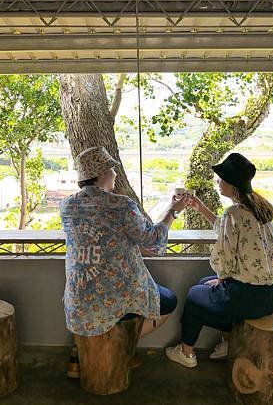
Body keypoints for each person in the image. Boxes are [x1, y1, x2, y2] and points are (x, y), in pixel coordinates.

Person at [60, 146, 187, 376]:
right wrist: (173, 210)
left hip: (78, 294)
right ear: (101, 175)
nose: (115, 174)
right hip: (116, 293)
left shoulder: (67, 205)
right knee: (167, 301)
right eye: (111, 169)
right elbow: (151, 239)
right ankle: (119, 346)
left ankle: (80, 350)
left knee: (96, 307)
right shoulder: (121, 205)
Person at [166, 152, 273, 368]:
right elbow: (225, 228)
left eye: (220, 178)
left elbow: (223, 259)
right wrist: (200, 208)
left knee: (194, 295)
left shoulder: (233, 213)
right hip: (270, 295)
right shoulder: (259, 207)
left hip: (246, 299)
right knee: (204, 284)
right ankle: (228, 343)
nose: (218, 182)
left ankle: (186, 353)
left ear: (231, 184)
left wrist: (221, 279)